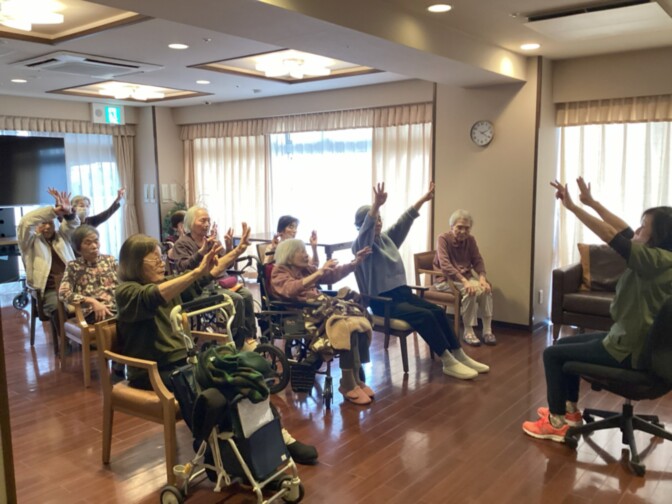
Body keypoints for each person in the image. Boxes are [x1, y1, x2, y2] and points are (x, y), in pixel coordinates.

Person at [115, 234, 318, 464]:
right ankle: (230, 450)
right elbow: (153, 296)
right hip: (152, 372)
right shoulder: (126, 293)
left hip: (183, 363)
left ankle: (275, 439)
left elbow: (205, 276)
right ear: (135, 263)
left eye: (161, 257)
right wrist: (195, 272)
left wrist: (235, 253)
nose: (161, 263)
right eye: (154, 259)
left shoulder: (165, 285)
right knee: (223, 389)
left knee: (244, 377)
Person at [522, 178, 672, 442]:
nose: (636, 230)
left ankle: (556, 423)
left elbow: (613, 237)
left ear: (658, 237)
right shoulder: (662, 257)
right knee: (563, 347)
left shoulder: (653, 261)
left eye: (643, 227)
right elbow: (623, 231)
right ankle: (569, 412)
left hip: (628, 350)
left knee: (552, 354)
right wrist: (592, 203)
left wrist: (573, 208)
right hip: (632, 341)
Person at [352, 182, 489, 380]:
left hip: (402, 293)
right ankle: (448, 361)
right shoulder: (361, 246)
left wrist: (423, 200)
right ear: (362, 225)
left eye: (380, 218)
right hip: (384, 302)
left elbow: (403, 221)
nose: (378, 222)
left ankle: (459, 354)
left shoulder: (386, 239)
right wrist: (375, 206)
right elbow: (366, 230)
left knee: (437, 311)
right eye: (374, 220)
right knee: (425, 316)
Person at [271, 239, 374, 405]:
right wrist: (318, 273)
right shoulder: (279, 272)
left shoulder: (305, 269)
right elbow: (290, 289)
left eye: (306, 251)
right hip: (302, 316)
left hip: (320, 309)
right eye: (301, 252)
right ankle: (348, 383)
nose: (306, 255)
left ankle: (355, 379)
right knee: (343, 326)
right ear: (289, 256)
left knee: (358, 323)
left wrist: (355, 262)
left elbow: (331, 275)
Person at [172, 206, 257, 350]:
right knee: (236, 299)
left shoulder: (212, 241)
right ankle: (235, 341)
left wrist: (229, 247)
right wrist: (201, 252)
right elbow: (183, 267)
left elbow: (227, 264)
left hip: (221, 283)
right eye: (202, 221)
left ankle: (249, 336)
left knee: (247, 295)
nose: (207, 224)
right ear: (190, 223)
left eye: (208, 221)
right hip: (202, 287)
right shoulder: (182, 243)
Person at [17, 190, 79, 350]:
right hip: (50, 290)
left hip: (74, 286)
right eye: (42, 223)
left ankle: (90, 337)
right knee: (58, 307)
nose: (46, 227)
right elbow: (25, 222)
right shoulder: (29, 243)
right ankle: (65, 341)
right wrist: (53, 211)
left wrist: (68, 213)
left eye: (50, 223)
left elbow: (73, 225)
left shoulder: (62, 236)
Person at [434, 209, 496, 346]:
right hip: (446, 279)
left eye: (467, 228)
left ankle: (487, 330)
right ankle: (468, 331)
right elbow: (445, 265)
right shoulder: (443, 238)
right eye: (459, 227)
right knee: (470, 291)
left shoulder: (471, 240)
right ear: (452, 226)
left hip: (466, 278)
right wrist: (464, 281)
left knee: (486, 290)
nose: (463, 231)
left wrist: (482, 278)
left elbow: (477, 260)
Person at [58, 225, 118, 324]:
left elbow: (124, 282)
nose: (94, 246)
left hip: (117, 307)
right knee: (121, 320)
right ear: (78, 248)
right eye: (88, 243)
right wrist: (91, 301)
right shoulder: (73, 266)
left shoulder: (110, 260)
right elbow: (63, 293)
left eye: (96, 241)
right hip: (92, 312)